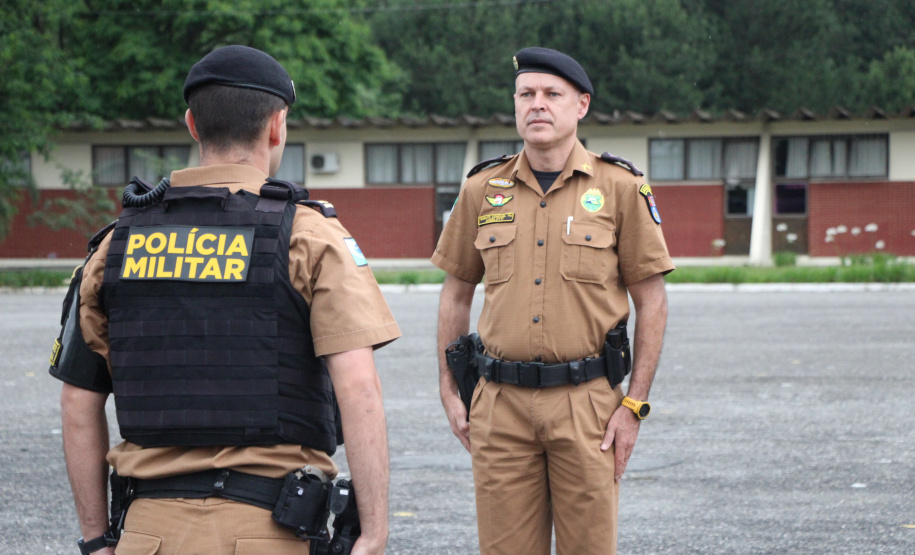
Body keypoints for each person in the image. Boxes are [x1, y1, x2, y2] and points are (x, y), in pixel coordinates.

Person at [51, 45, 400, 555]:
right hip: (271, 532)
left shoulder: (115, 246)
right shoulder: (309, 236)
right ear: (277, 125)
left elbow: (79, 401)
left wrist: (96, 539)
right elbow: (359, 388)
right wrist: (374, 531)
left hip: (145, 534)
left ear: (192, 124)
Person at [433, 47, 674, 554]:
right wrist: (450, 386)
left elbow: (652, 301)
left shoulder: (620, 188)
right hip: (499, 405)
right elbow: (456, 293)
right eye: (526, 95)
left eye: (551, 95)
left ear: (581, 105)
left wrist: (633, 405)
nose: (536, 105)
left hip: (587, 403)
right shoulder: (482, 189)